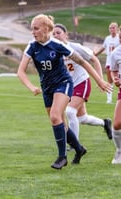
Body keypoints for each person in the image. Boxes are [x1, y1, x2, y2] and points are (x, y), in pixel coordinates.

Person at [17, 14, 112, 170]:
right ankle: (79, 149)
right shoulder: (32, 46)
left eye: (36, 28)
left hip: (64, 84)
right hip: (47, 88)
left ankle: (62, 157)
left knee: (56, 116)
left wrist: (99, 81)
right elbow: (20, 71)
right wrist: (31, 87)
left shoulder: (57, 45)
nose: (33, 32)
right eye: (31, 29)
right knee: (59, 122)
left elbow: (83, 61)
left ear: (46, 29)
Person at [53, 24, 112, 145]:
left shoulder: (74, 47)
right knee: (82, 118)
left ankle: (75, 145)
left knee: (69, 112)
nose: (55, 35)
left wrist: (100, 80)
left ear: (66, 34)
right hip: (68, 86)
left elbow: (94, 59)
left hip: (81, 82)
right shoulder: (54, 51)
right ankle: (105, 123)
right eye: (53, 34)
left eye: (58, 32)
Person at [94, 22, 120, 104]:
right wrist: (95, 54)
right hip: (109, 61)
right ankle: (109, 99)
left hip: (118, 62)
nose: (112, 29)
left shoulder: (118, 38)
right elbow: (103, 47)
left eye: (113, 28)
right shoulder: (107, 38)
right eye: (110, 28)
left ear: (117, 29)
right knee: (110, 80)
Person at [110, 27, 121, 164]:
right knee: (117, 123)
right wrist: (115, 79)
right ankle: (119, 151)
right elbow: (113, 71)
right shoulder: (116, 53)